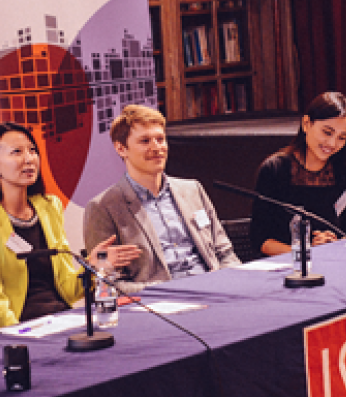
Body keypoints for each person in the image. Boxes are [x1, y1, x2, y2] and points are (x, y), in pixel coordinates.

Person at [0, 123, 139, 327]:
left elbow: (68, 290)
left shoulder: (49, 206)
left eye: (32, 150)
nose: (28, 159)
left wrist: (92, 266)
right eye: (16, 152)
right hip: (20, 326)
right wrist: (20, 336)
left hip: (60, 318)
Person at [84, 105, 240, 293]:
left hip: (214, 289)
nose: (156, 147)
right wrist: (165, 290)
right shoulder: (103, 207)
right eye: (145, 141)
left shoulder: (192, 190)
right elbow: (108, 285)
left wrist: (227, 281)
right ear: (121, 148)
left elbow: (225, 253)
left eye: (160, 139)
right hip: (161, 302)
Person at [249, 92, 346, 256]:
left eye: (342, 138)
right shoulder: (275, 169)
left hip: (333, 262)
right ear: (306, 124)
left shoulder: (344, 172)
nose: (332, 143)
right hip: (285, 268)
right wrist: (307, 252)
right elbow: (260, 241)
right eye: (327, 132)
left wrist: (334, 244)